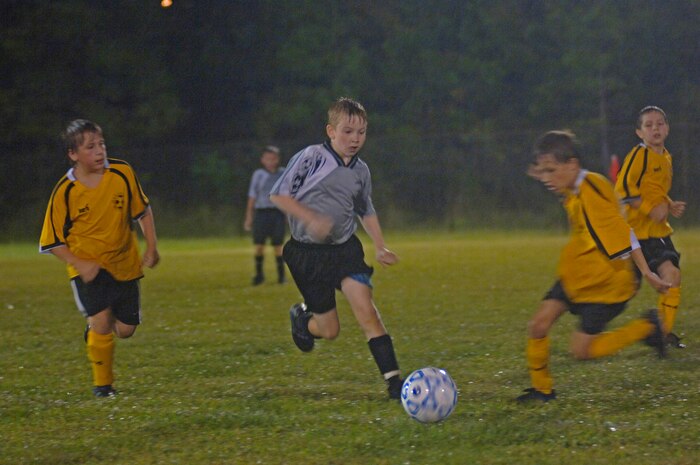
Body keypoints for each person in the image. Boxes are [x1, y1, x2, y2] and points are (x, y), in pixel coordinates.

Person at [517, 130, 670, 403]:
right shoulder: (572, 184)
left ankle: (646, 328)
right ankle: (542, 391)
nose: (546, 179)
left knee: (582, 351)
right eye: (543, 172)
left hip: (609, 285)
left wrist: (647, 273)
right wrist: (542, 171)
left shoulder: (593, 193)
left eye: (552, 170)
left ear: (572, 164)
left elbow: (626, 237)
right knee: (538, 325)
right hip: (578, 273)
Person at [269, 97, 403, 399]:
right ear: (331, 131)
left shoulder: (361, 170)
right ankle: (303, 319)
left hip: (345, 251)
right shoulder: (311, 157)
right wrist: (311, 218)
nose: (355, 139)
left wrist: (381, 247)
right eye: (348, 131)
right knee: (329, 331)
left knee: (366, 309)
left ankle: (395, 384)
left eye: (362, 132)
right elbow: (278, 196)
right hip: (307, 255)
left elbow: (365, 210)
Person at [39, 119, 159, 397]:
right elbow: (52, 241)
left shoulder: (122, 172)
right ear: (73, 154)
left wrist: (151, 247)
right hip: (87, 268)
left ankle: (95, 331)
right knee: (102, 319)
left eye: (101, 144)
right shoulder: (64, 191)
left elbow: (142, 210)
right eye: (90, 147)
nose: (99, 151)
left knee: (126, 330)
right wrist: (79, 263)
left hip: (124, 263)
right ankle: (103, 387)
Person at [614, 106, 686, 348]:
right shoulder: (639, 154)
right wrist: (649, 209)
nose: (655, 128)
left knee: (673, 276)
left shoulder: (665, 156)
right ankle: (649, 330)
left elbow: (654, 189)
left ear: (667, 128)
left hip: (657, 233)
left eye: (659, 123)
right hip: (637, 234)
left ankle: (662, 334)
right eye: (649, 125)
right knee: (618, 294)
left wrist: (668, 203)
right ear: (639, 132)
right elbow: (623, 189)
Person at [244, 145, 287, 285]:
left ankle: (281, 276)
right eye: (268, 158)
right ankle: (259, 275)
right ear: (262, 160)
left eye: (273, 158)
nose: (271, 161)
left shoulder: (283, 173)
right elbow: (252, 196)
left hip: (278, 213)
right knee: (259, 245)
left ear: (278, 159)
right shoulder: (258, 174)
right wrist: (249, 216)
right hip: (262, 213)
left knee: (278, 245)